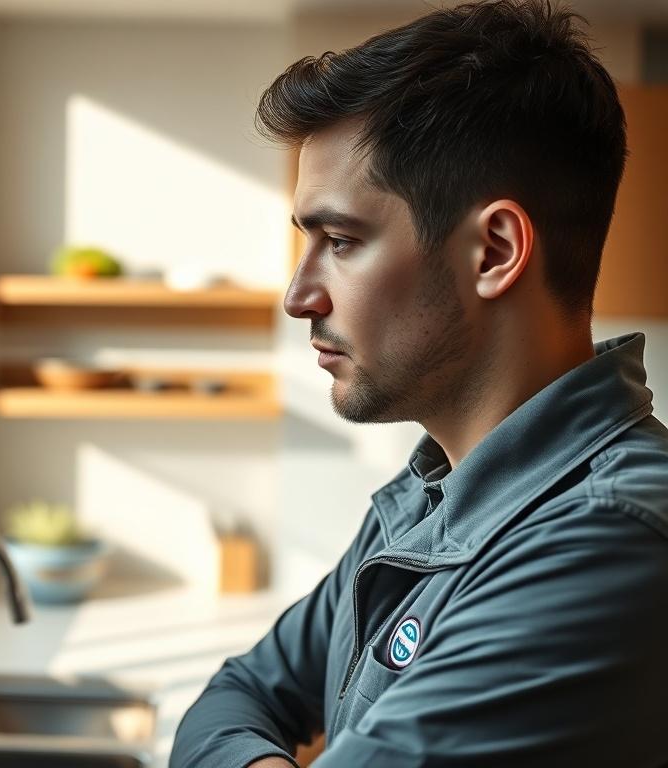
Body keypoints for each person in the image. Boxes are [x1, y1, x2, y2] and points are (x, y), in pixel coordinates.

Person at [170, 1, 668, 766]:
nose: (298, 295)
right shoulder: (429, 499)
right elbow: (241, 691)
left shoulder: (605, 538)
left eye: (340, 241)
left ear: (494, 252)